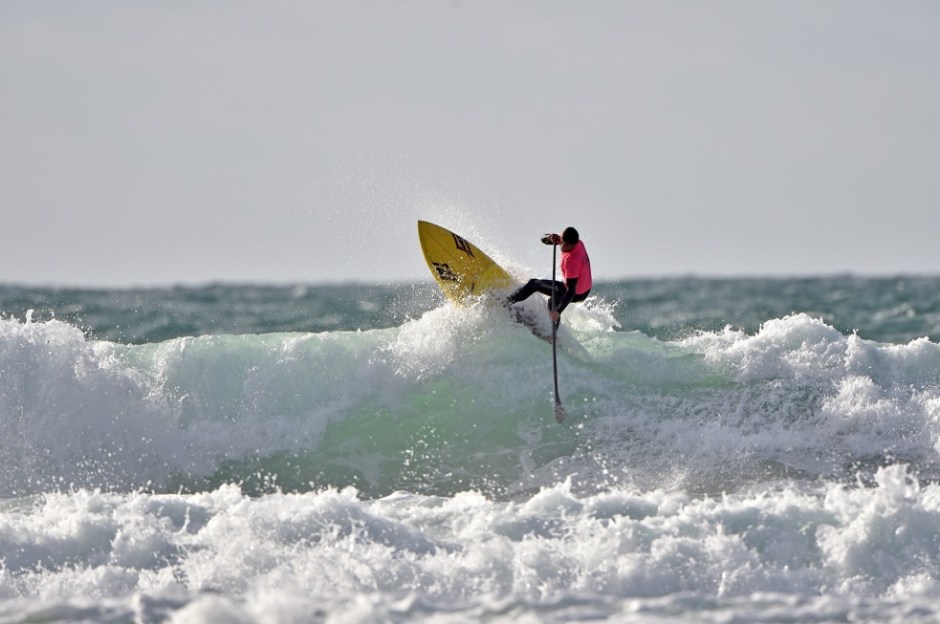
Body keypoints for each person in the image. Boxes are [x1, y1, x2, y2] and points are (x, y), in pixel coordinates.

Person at [506, 226, 592, 327]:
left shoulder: (572, 260)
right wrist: (550, 238)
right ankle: (554, 332)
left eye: (566, 245)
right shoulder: (576, 242)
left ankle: (505, 303)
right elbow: (544, 240)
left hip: (576, 293)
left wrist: (558, 311)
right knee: (553, 302)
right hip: (585, 288)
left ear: (573, 244)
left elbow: (571, 291)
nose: (563, 246)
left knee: (533, 284)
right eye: (562, 242)